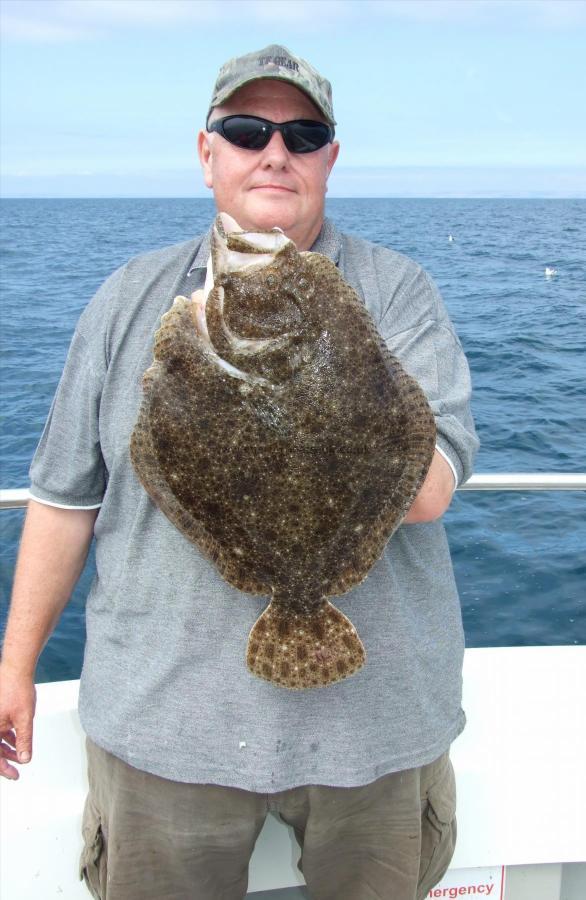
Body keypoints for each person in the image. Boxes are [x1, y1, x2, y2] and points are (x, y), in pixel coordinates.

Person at [0, 45, 478, 900]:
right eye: (248, 129)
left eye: (303, 134)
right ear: (207, 151)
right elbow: (64, 497)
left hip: (377, 731)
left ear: (330, 156)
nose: (275, 152)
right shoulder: (127, 300)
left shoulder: (396, 292)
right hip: (165, 729)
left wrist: (317, 374)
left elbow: (432, 487)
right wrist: (14, 665)